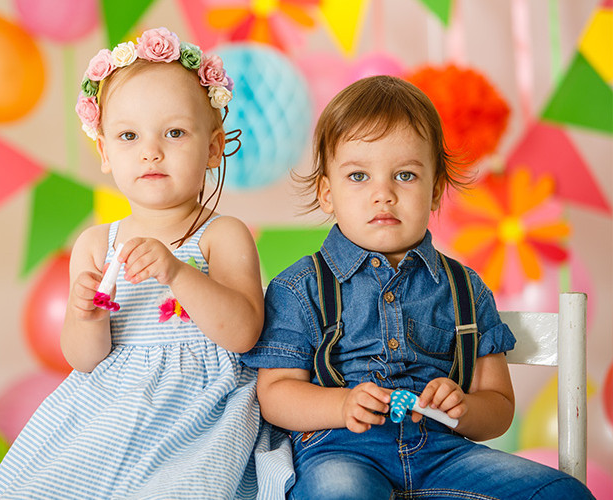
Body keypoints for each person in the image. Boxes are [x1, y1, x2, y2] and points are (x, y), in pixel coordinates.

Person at [241, 75, 594, 500]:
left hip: (444, 454)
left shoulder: (466, 289)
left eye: (405, 175)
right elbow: (275, 394)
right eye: (358, 176)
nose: (383, 194)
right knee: (342, 494)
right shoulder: (302, 287)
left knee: (562, 493)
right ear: (327, 192)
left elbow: (498, 407)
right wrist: (341, 405)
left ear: (435, 191)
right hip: (340, 451)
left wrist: (463, 407)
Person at [0, 27, 291, 499]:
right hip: (110, 408)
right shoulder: (96, 244)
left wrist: (177, 273)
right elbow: (84, 359)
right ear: (105, 152)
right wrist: (85, 314)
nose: (151, 150)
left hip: (199, 412)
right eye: (129, 135)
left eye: (174, 132)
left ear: (212, 148)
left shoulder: (221, 235)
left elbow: (244, 332)